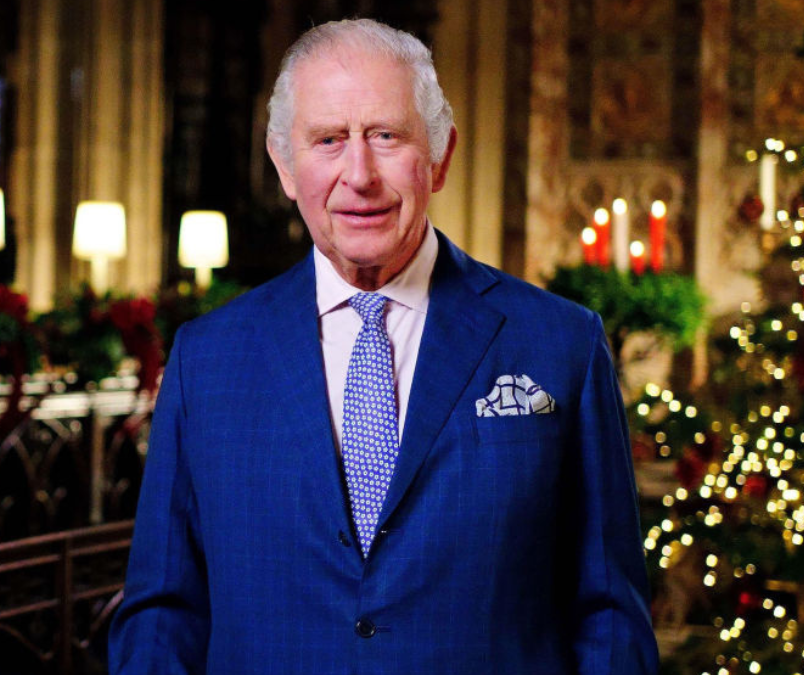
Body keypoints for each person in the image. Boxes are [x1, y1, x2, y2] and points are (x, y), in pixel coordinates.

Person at [109, 18, 658, 675]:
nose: (359, 174)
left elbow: (610, 615)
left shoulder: (561, 343)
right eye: (328, 140)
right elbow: (163, 614)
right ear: (284, 165)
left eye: (386, 136)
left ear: (441, 155)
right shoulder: (207, 359)